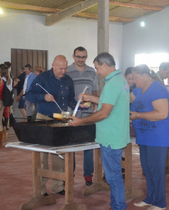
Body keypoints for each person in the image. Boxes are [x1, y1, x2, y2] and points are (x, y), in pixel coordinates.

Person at [68, 52, 130, 210]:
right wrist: (91, 97)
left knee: (113, 177)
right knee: (114, 175)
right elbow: (110, 102)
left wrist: (81, 121)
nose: (96, 72)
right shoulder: (121, 80)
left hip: (110, 137)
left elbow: (104, 113)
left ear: (104, 65)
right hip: (117, 135)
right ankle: (117, 205)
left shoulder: (111, 84)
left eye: (97, 68)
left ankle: (118, 207)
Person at [26, 55, 77, 196]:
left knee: (59, 155)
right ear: (53, 65)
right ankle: (41, 189)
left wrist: (80, 105)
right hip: (43, 119)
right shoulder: (42, 78)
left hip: (61, 120)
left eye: (65, 68)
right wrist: (44, 97)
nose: (63, 71)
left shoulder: (68, 80)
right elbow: (29, 95)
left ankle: (57, 186)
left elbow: (70, 99)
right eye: (60, 68)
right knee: (41, 156)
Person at [130, 64, 169, 210]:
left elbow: (162, 113)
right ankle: (151, 197)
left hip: (157, 137)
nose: (134, 81)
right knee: (147, 169)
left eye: (135, 78)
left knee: (156, 170)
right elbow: (129, 98)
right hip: (145, 136)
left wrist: (139, 115)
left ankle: (160, 203)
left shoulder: (157, 89)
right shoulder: (139, 88)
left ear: (144, 76)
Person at [66, 46, 98, 186]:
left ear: (86, 57)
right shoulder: (67, 71)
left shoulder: (92, 72)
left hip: (88, 114)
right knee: (70, 145)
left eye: (83, 57)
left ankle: (88, 175)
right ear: (73, 56)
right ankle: (69, 175)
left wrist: (94, 104)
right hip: (71, 113)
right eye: (78, 57)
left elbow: (95, 91)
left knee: (88, 146)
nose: (81, 59)